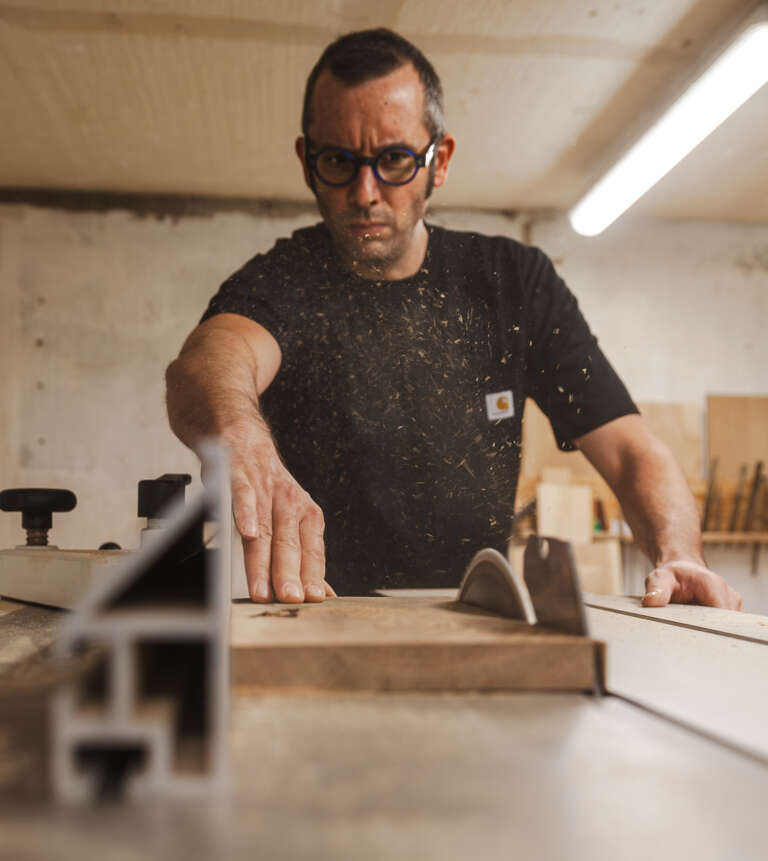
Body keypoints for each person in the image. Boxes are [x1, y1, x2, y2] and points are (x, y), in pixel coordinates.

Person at [166, 28, 741, 611]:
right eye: (338, 161)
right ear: (306, 162)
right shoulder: (283, 281)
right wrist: (241, 437)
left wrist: (679, 553)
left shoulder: (512, 283)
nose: (365, 193)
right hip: (315, 615)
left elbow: (632, 452)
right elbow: (206, 364)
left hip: (476, 617)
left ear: (438, 161)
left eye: (393, 160)